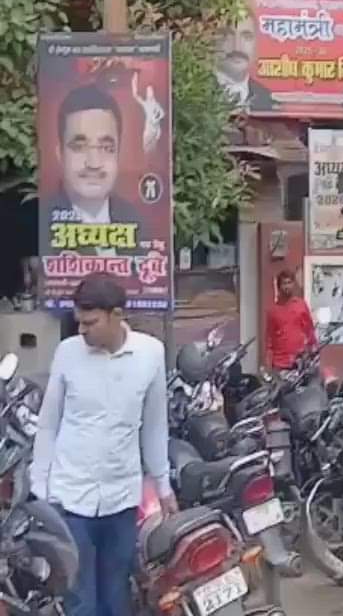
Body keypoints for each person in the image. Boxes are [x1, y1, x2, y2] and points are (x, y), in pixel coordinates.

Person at [30, 273, 177, 616]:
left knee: (116, 597)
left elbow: (154, 426)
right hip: (70, 499)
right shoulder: (68, 353)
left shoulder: (150, 354)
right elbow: (48, 424)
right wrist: (41, 490)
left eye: (90, 322)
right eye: (79, 322)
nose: (82, 330)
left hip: (121, 500)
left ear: (117, 314)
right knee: (81, 600)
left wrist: (163, 484)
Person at [45, 85, 150, 252]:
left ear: (118, 154)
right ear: (60, 154)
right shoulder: (41, 224)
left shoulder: (137, 222)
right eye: (79, 147)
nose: (94, 163)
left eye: (106, 148)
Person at [214, 16, 273, 112]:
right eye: (227, 35)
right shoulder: (195, 90)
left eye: (247, 37)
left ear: (256, 44)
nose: (237, 47)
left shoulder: (268, 98)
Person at [264, 270, 317, 374]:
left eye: (289, 282)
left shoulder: (301, 305)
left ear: (293, 284)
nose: (287, 286)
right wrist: (268, 363)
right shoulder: (273, 310)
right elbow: (269, 338)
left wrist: (313, 349)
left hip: (300, 361)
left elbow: (309, 330)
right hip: (280, 363)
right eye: (284, 283)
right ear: (279, 287)